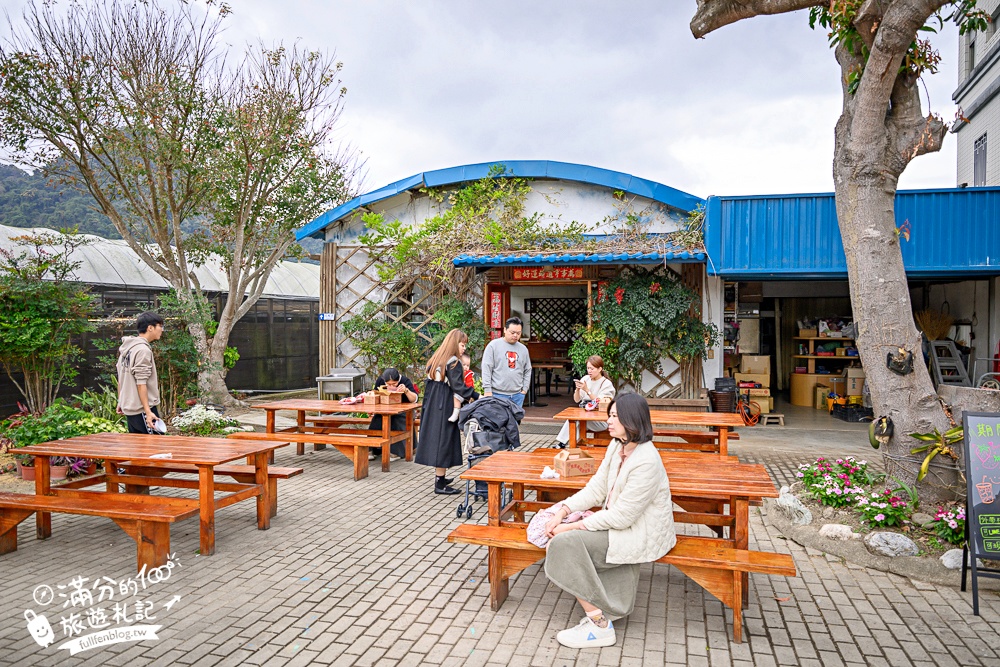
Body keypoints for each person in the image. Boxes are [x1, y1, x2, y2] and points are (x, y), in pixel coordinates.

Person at [542, 392, 676, 649]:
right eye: (610, 415)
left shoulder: (647, 460)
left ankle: (599, 625)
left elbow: (623, 516)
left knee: (563, 545)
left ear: (632, 420)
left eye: (615, 416)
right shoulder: (618, 446)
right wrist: (563, 510)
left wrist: (567, 527)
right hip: (620, 525)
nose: (609, 421)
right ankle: (599, 612)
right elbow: (596, 489)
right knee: (561, 542)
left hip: (638, 531)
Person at [415, 329, 475, 494]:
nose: (463, 348)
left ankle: (440, 477)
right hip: (445, 405)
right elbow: (459, 387)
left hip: (433, 404)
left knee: (438, 441)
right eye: (462, 345)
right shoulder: (454, 362)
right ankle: (440, 485)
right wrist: (475, 395)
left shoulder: (437, 359)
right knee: (443, 442)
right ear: (454, 344)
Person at [116, 311, 165, 434]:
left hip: (131, 408)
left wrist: (121, 401)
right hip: (142, 408)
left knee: (138, 448)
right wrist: (148, 412)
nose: (162, 330)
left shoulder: (127, 349)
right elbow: (141, 383)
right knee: (155, 448)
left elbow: (121, 378)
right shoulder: (143, 350)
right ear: (150, 328)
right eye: (160, 326)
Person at [554, 355, 616, 448]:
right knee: (574, 420)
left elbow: (600, 403)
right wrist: (578, 390)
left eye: (592, 368)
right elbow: (576, 400)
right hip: (585, 414)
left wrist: (587, 390)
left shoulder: (606, 384)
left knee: (576, 421)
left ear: (600, 369)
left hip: (601, 420)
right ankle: (571, 445)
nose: (589, 371)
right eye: (588, 368)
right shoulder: (585, 378)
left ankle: (564, 443)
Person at [368, 367, 419, 461]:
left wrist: (406, 391)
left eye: (394, 384)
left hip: (404, 411)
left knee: (396, 420)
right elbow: (375, 393)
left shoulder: (405, 381)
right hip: (385, 409)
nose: (391, 386)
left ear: (398, 380)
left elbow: (415, 399)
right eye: (388, 384)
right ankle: (371, 449)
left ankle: (396, 452)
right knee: (377, 420)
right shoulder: (380, 380)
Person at [481, 317, 531, 409]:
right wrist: (487, 390)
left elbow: (527, 369)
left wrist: (524, 389)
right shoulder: (493, 346)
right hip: (497, 394)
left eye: (518, 333)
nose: (515, 335)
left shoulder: (523, 349)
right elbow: (486, 368)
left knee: (515, 422)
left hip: (517, 395)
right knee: (497, 421)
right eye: (512, 333)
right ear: (505, 330)